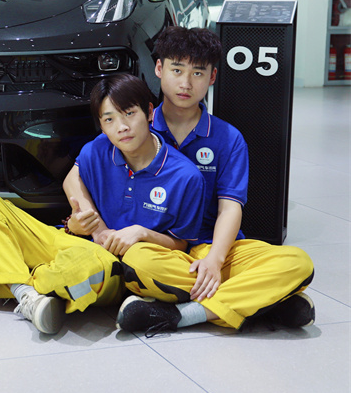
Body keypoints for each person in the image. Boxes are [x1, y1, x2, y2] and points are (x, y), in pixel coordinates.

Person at [0, 73, 206, 335]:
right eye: (109, 119)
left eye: (129, 114)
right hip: (73, 240)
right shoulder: (100, 147)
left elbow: (181, 244)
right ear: (101, 124)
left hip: (111, 264)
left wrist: (141, 233)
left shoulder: (185, 176)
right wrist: (92, 225)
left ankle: (4, 276)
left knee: (76, 270)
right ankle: (24, 291)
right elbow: (72, 178)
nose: (121, 127)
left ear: (149, 112)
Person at [116, 26, 315, 335]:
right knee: (137, 261)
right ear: (159, 69)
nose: (185, 83)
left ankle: (182, 313)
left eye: (197, 73)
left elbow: (230, 207)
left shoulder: (228, 138)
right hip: (161, 247)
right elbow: (85, 170)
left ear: (212, 77)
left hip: (215, 246)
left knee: (298, 263)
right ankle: (261, 299)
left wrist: (214, 260)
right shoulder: (137, 128)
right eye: (177, 70)